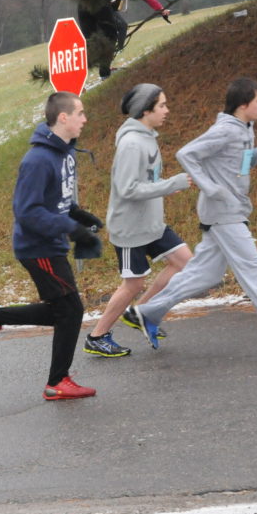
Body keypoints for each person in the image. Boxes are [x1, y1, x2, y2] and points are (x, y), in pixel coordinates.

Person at [130, 78, 257, 354]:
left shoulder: (244, 128)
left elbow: (236, 161)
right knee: (255, 270)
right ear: (243, 105)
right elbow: (187, 153)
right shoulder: (227, 130)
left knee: (205, 274)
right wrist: (211, 187)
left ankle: (146, 312)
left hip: (230, 210)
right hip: (224, 213)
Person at [0, 92, 101, 401]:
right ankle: (57, 381)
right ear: (63, 118)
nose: (85, 119)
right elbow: (28, 211)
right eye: (80, 113)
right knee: (71, 310)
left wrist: (77, 215)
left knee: (64, 311)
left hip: (52, 242)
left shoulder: (66, 153)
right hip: (36, 246)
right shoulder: (37, 160)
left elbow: (57, 200)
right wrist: (72, 229)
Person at [83, 84, 192, 357]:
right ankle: (97, 336)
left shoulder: (146, 137)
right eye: (162, 106)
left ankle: (140, 312)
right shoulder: (132, 144)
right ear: (145, 110)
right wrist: (169, 185)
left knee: (185, 262)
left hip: (151, 223)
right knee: (133, 283)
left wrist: (165, 185)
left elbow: (147, 181)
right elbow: (127, 189)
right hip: (131, 226)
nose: (167, 110)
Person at [76, 0, 171, 80]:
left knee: (115, 30)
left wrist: (161, 9)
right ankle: (102, 71)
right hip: (92, 4)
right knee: (104, 37)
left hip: (92, 5)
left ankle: (105, 68)